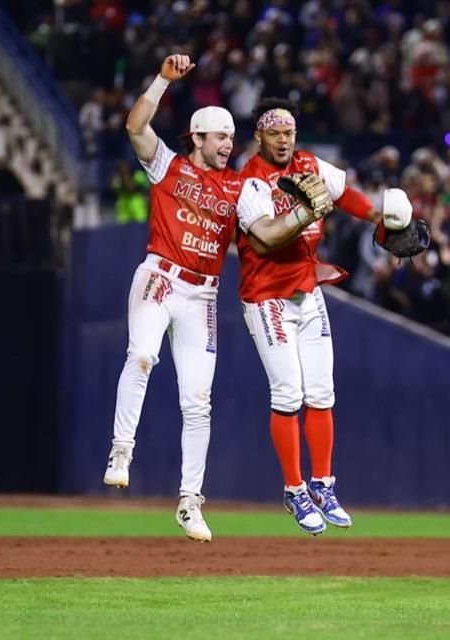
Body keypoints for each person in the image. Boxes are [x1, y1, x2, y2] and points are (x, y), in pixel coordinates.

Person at [103, 57, 327, 543]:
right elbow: (135, 125)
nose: (228, 145)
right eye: (219, 137)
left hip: (202, 294)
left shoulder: (239, 186)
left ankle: (190, 502)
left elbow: (267, 233)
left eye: (230, 137)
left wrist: (305, 212)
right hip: (160, 278)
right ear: (197, 138)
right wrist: (162, 78)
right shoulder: (169, 166)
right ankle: (122, 450)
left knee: (199, 402)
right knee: (142, 355)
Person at [235, 97, 413, 534]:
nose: (283, 140)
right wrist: (306, 210)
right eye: (275, 133)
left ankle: (323, 484)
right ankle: (294, 489)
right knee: (288, 394)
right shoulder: (250, 182)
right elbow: (265, 242)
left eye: (289, 133)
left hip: (307, 290)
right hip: (267, 296)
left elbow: (344, 192)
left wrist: (383, 221)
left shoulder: (310, 163)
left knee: (321, 392)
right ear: (259, 135)